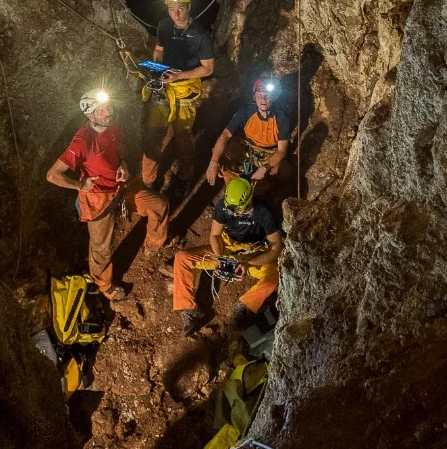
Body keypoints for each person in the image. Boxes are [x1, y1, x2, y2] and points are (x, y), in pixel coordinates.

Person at [46, 90, 169, 301]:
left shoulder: (113, 126)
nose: (107, 112)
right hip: (98, 197)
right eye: (101, 110)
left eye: (107, 107)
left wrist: (122, 164)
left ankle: (152, 246)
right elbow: (52, 175)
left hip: (121, 185)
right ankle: (104, 284)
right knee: (101, 248)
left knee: (159, 205)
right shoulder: (82, 141)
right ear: (90, 116)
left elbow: (119, 148)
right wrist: (79, 185)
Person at [173, 177, 283, 335]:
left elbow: (276, 248)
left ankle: (246, 307)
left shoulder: (263, 214)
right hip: (227, 246)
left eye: (236, 211)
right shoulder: (224, 206)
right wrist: (220, 257)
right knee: (182, 257)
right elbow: (215, 235)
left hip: (253, 251)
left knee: (275, 275)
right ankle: (190, 310)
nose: (232, 214)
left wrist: (249, 264)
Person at [142, 0, 214, 200]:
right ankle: (148, 181)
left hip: (185, 90)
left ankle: (184, 177)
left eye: (180, 8)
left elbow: (208, 68)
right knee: (153, 136)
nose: (176, 14)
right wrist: (155, 68)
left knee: (182, 139)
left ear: (189, 8)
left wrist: (179, 76)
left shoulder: (199, 35)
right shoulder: (164, 25)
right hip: (164, 86)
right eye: (171, 9)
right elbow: (159, 49)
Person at [205, 77, 292, 196]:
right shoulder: (246, 111)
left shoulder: (281, 118)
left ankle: (257, 189)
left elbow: (282, 151)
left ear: (274, 97)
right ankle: (234, 189)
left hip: (268, 152)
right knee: (219, 154)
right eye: (260, 95)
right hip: (246, 147)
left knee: (284, 171)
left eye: (267, 95)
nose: (263, 99)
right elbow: (225, 135)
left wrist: (264, 168)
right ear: (254, 97)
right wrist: (213, 163)